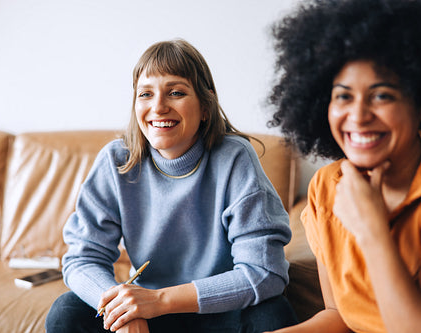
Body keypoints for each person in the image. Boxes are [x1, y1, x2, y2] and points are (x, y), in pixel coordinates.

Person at [45, 39, 298, 333]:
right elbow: (82, 258)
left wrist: (160, 300)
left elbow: (264, 272)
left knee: (273, 314)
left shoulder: (235, 158)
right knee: (66, 312)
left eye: (176, 92)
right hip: (147, 314)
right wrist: (123, 310)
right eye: (146, 94)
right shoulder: (115, 161)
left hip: (220, 308)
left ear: (205, 106)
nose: (159, 107)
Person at [266, 0, 421, 332]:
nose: (358, 116)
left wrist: (372, 230)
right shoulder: (326, 185)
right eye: (343, 96)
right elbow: (338, 316)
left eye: (381, 96)